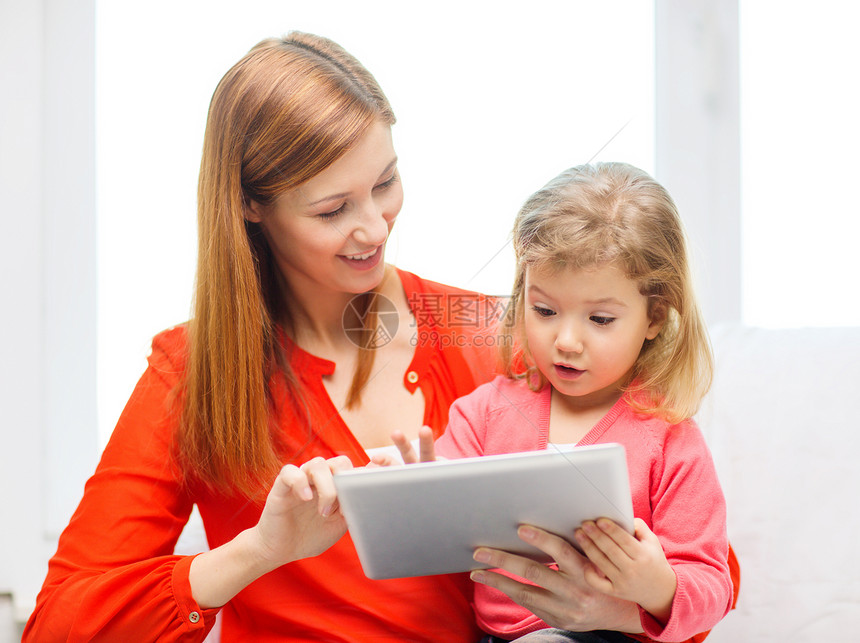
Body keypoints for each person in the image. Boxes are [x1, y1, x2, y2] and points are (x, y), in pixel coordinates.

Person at [21, 34, 666, 642]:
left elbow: (696, 555)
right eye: (332, 210)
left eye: (385, 183)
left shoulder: (498, 335)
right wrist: (255, 553)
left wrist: (624, 610)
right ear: (251, 205)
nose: (375, 229)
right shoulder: (191, 373)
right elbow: (56, 623)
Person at [393, 162, 738, 642]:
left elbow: (712, 585)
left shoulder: (670, 438)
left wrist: (657, 587)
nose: (567, 341)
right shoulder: (484, 413)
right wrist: (417, 491)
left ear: (655, 316)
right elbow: (438, 528)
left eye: (599, 319)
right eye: (545, 311)